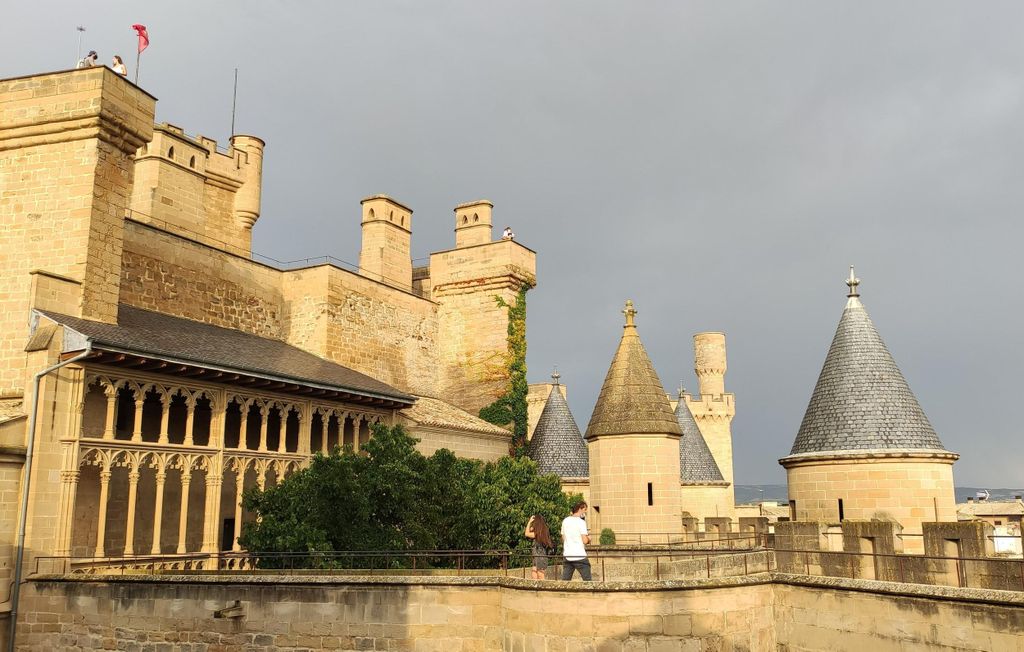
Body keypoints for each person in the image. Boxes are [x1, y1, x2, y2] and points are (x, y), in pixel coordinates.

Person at [560, 501, 591, 581]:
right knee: (588, 581)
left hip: (568, 555)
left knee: (565, 582)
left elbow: (563, 538)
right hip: (579, 555)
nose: (585, 511)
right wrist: (589, 539)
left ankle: (563, 594)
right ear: (580, 509)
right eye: (584, 509)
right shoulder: (581, 522)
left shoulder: (565, 521)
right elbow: (584, 540)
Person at [524, 514, 554, 580]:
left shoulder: (538, 533)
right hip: (538, 555)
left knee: (540, 574)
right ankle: (536, 588)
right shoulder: (542, 531)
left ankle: (541, 588)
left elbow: (526, 533)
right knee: (534, 571)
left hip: (540, 556)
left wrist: (529, 521)